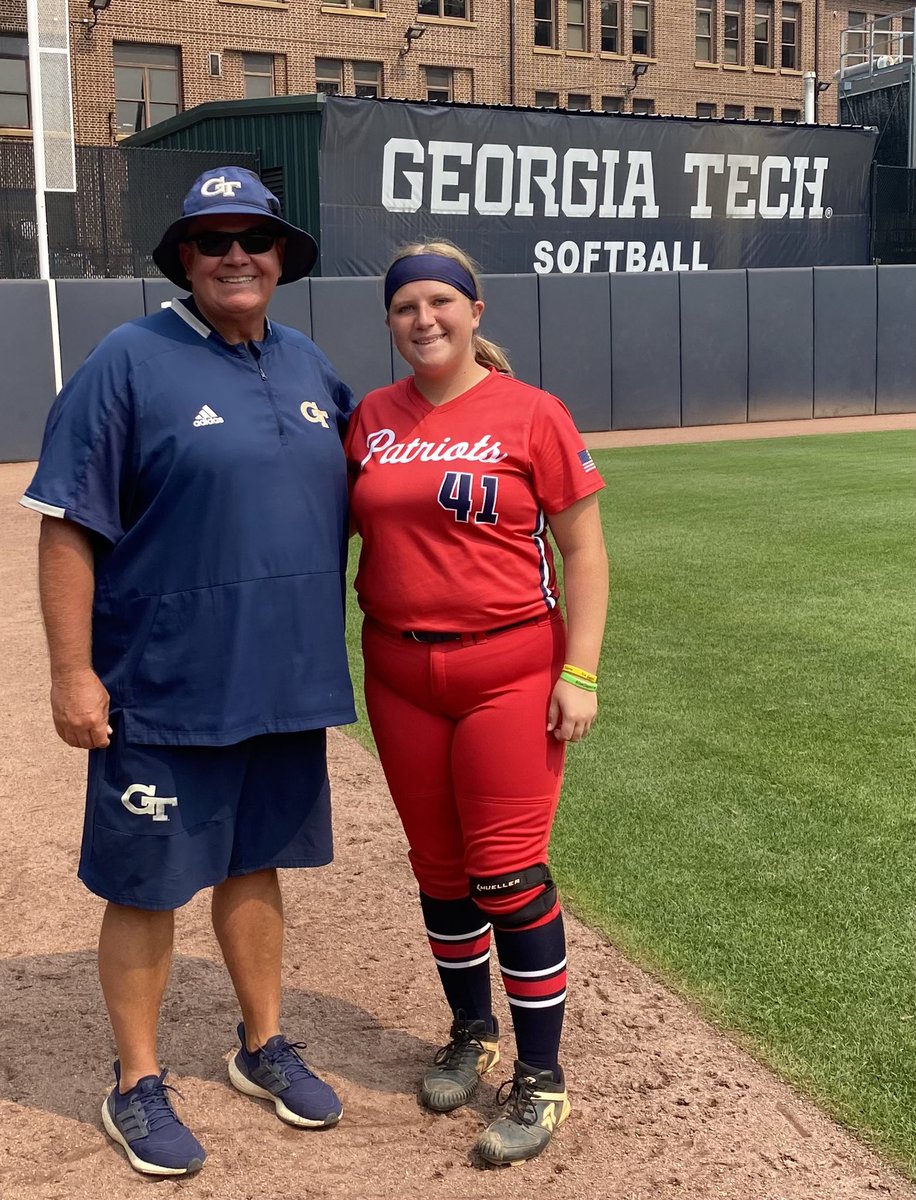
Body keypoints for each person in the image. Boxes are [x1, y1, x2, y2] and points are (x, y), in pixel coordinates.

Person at [20, 166, 356, 1177]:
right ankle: (135, 1083)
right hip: (162, 686)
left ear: (281, 255)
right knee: (147, 885)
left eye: (252, 237)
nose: (234, 255)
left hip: (284, 682)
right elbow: (69, 529)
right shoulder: (128, 359)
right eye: (211, 241)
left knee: (256, 868)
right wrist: (73, 675)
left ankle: (260, 1046)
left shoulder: (308, 366)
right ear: (184, 259)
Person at [344, 240, 609, 1166]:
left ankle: (542, 1078)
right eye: (406, 306)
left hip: (509, 666)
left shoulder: (532, 414)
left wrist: (580, 673)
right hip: (399, 669)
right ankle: (470, 1030)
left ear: (475, 312)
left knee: (506, 872)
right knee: (442, 869)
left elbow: (585, 552)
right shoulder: (371, 417)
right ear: (389, 320)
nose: (424, 320)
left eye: (440, 303)